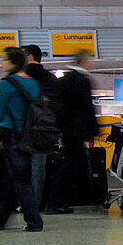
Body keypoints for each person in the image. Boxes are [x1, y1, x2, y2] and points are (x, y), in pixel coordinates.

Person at [0, 47, 44, 232]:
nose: (1, 62)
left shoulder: (6, 84)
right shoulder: (33, 83)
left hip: (11, 136)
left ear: (13, 63)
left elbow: (0, 112)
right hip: (29, 136)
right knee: (16, 179)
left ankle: (34, 221)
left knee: (18, 181)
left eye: (4, 59)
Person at [48, 50, 98, 213]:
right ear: (84, 61)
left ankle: (62, 200)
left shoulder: (64, 79)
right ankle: (57, 201)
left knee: (72, 163)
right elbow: (87, 107)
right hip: (76, 130)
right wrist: (93, 129)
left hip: (67, 130)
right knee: (72, 164)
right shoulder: (81, 80)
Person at [22, 44, 57, 212]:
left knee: (18, 168)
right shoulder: (50, 78)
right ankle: (34, 204)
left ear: (29, 57)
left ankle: (21, 202)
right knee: (38, 168)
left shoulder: (20, 78)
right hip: (44, 131)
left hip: (22, 128)